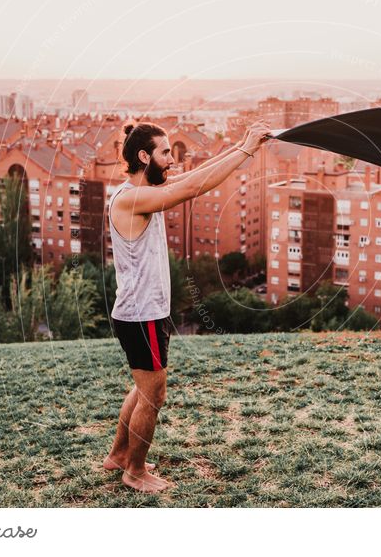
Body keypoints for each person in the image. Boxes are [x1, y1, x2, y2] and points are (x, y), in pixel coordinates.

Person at [102, 119, 271, 493]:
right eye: (166, 153)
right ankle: (135, 471)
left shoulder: (143, 190)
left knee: (143, 386)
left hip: (145, 311)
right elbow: (196, 186)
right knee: (153, 392)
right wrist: (245, 149)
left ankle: (117, 455)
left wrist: (246, 146)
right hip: (141, 313)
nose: (172, 161)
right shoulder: (131, 199)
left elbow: (195, 176)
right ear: (145, 156)